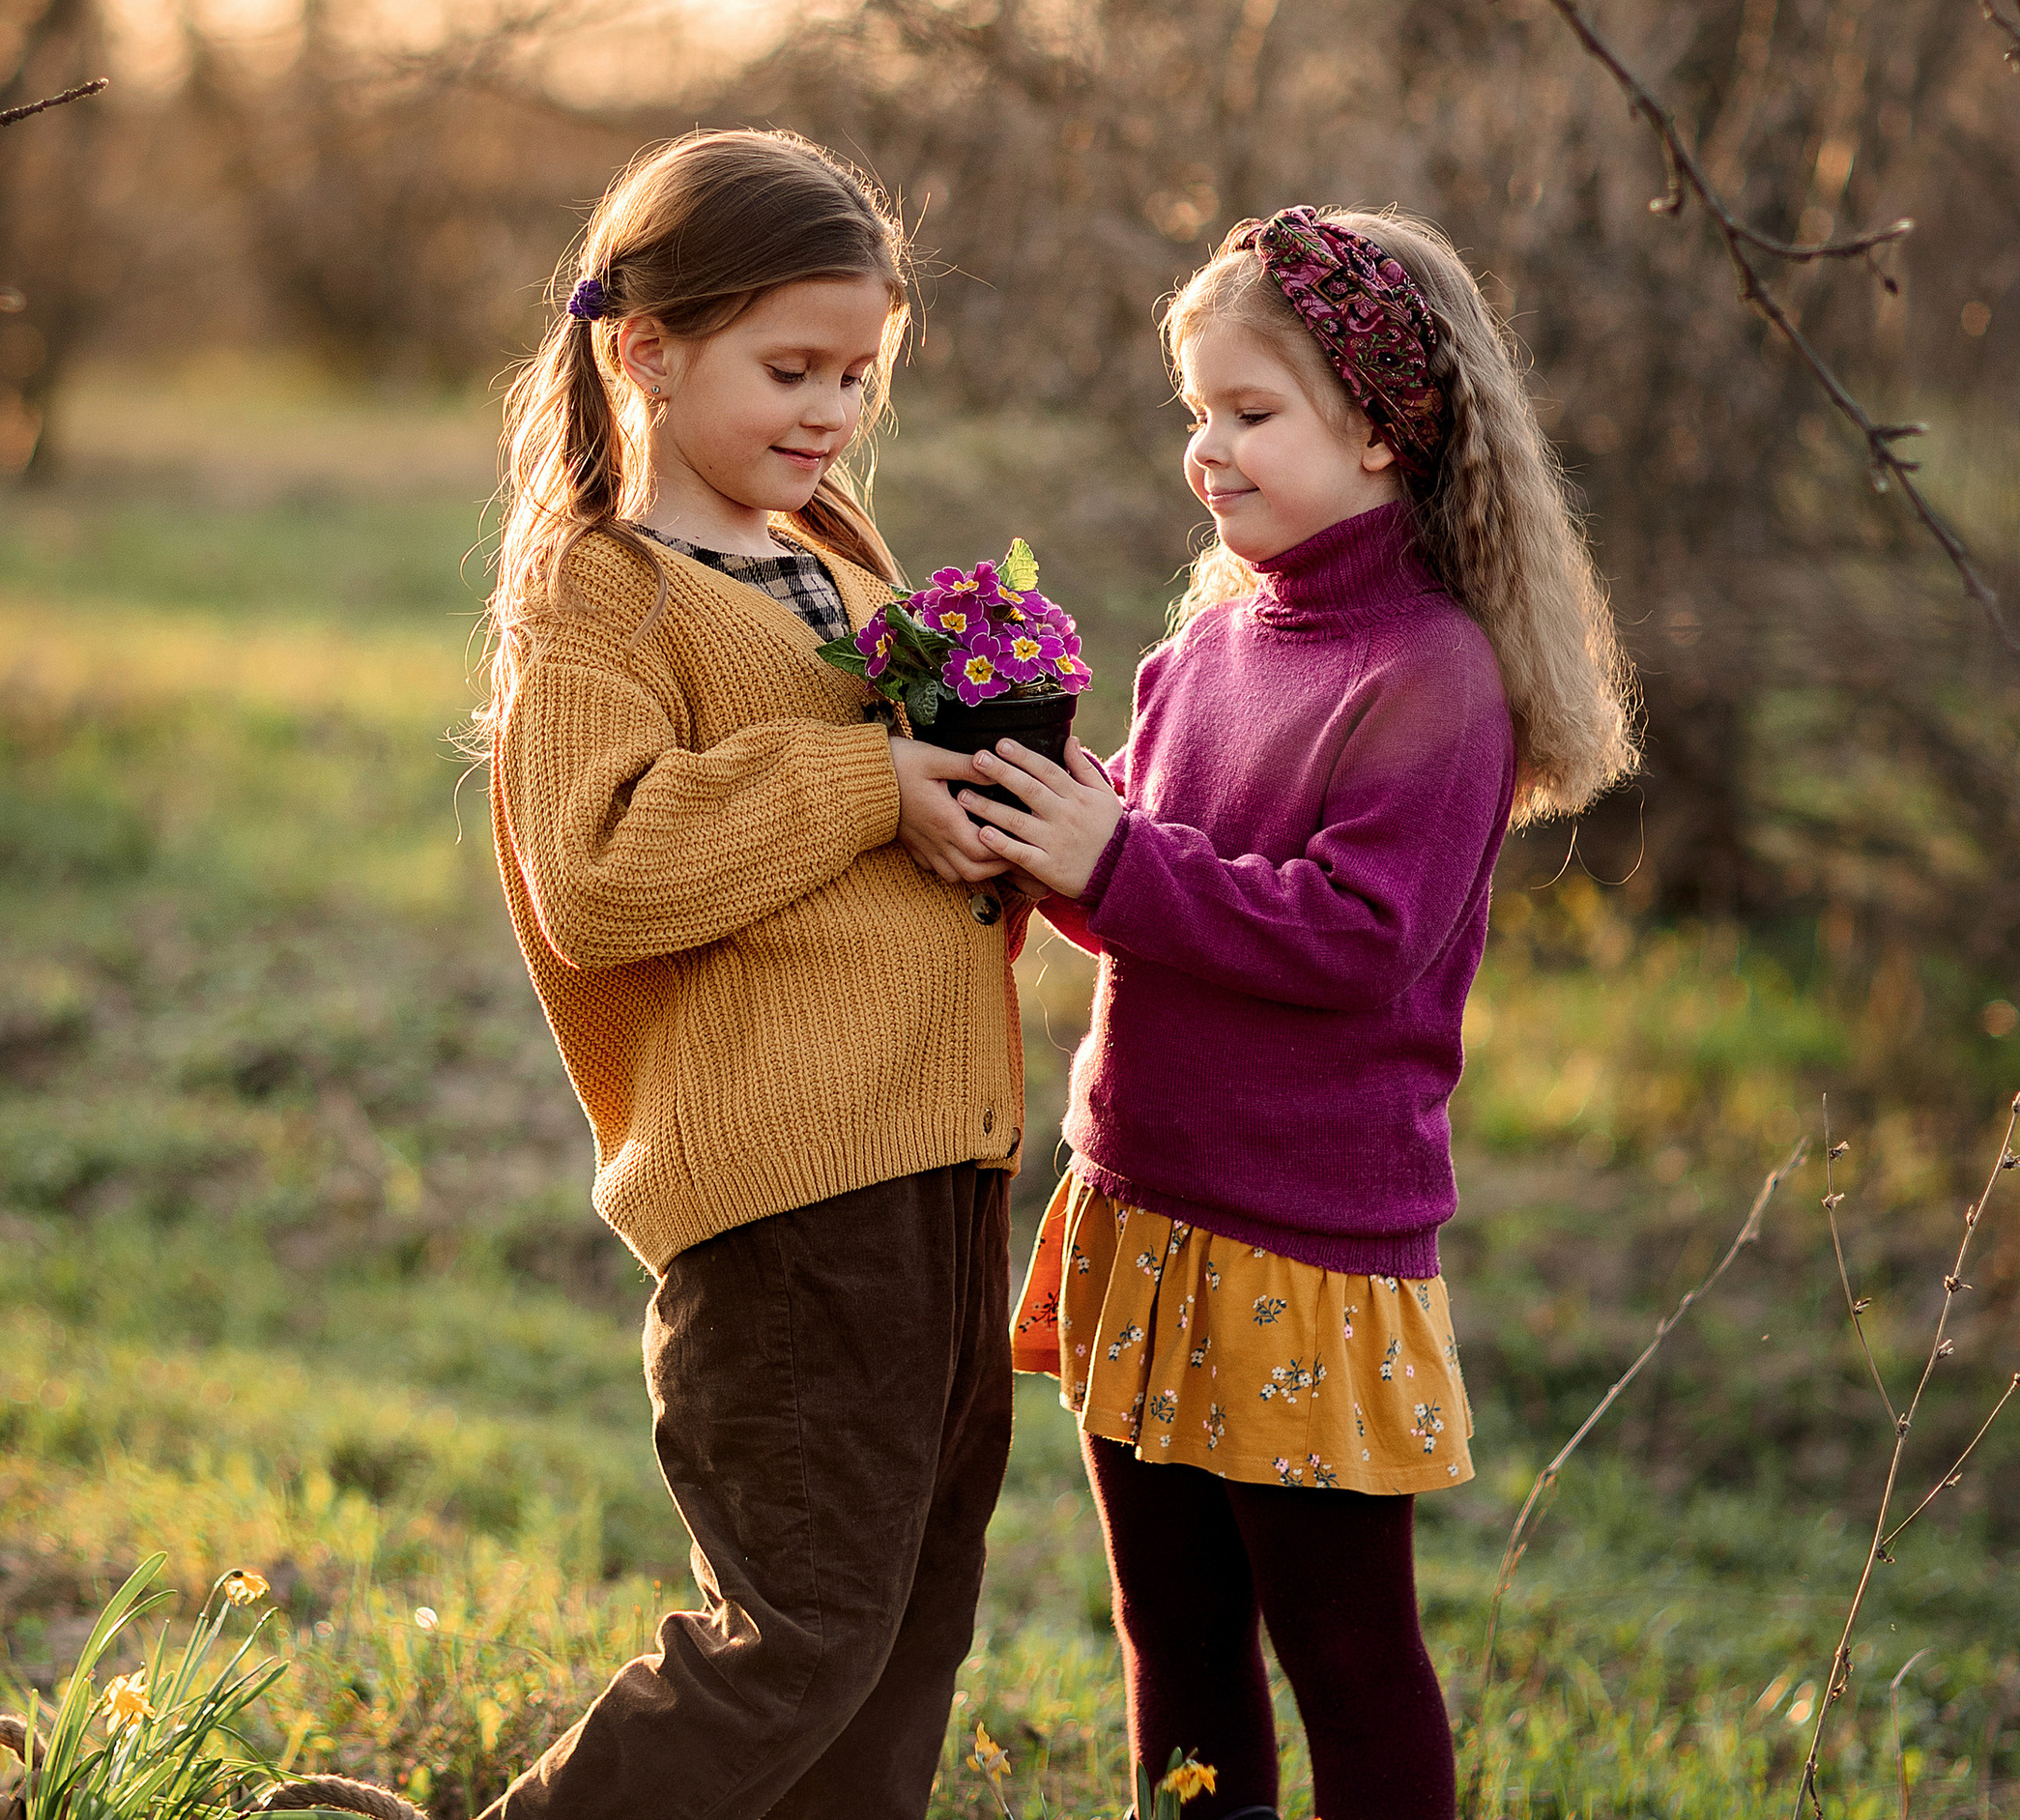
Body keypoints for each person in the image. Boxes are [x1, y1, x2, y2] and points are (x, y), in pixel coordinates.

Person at [971, 207, 1636, 1820]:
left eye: (1249, 412)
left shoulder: (1433, 679)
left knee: (1343, 1649)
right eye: (1195, 411)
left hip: (1302, 1248)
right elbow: (1130, 875)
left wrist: (1113, 856)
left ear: (1387, 430)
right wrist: (1017, 818)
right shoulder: (1206, 644)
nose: (1208, 449)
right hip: (1141, 1208)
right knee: (1170, 1627)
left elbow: (1357, 938)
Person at [473, 129, 1023, 1820]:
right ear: (643, 350)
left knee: (908, 1630)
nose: (831, 411)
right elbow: (603, 871)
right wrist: (870, 780)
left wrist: (998, 790)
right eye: (791, 369)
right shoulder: (607, 591)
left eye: (858, 375)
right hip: (789, 1198)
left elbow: (885, 835)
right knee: (798, 1634)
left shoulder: (837, 558)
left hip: (937, 1166)